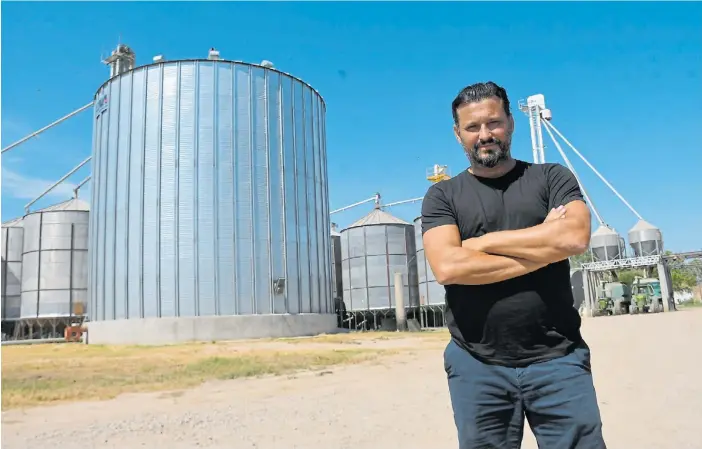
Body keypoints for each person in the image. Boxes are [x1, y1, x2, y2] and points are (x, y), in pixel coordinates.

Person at [421, 81, 607, 449]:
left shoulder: (551, 177)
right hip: (477, 364)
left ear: (511, 122)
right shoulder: (442, 195)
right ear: (458, 134)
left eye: (494, 123)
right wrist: (544, 244)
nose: (485, 135)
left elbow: (574, 238)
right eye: (472, 127)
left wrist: (483, 244)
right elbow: (449, 267)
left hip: (559, 360)